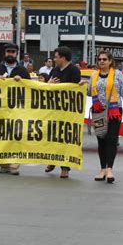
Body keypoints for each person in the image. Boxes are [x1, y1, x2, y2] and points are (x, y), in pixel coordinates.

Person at [88, 51, 123, 183]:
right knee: (101, 139)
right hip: (99, 111)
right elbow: (89, 92)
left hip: (114, 111)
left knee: (112, 139)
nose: (102, 61)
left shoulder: (117, 74)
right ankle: (102, 169)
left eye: (104, 59)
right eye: (99, 59)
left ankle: (110, 169)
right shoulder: (93, 75)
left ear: (110, 61)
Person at [0, 43, 30, 175]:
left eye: (13, 52)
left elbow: (30, 89)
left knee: (16, 137)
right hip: (0, 110)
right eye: (8, 51)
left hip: (18, 110)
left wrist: (22, 81)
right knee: (1, 137)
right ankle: (4, 164)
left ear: (17, 54)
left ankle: (14, 165)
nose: (10, 54)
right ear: (4, 53)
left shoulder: (23, 71)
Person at [45, 46, 83, 179]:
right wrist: (49, 84)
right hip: (53, 110)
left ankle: (65, 167)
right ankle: (52, 160)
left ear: (63, 58)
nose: (54, 59)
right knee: (51, 136)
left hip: (67, 112)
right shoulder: (54, 70)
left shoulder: (74, 71)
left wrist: (59, 87)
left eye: (56, 57)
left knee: (65, 138)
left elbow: (74, 89)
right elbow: (47, 86)